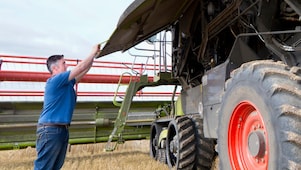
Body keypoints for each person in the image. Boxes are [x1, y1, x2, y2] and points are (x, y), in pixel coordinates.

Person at [34, 44, 101, 170]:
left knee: (54, 167)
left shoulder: (66, 83)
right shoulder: (56, 80)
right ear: (54, 68)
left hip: (59, 130)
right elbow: (80, 67)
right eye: (64, 63)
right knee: (44, 167)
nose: (67, 66)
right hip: (51, 130)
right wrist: (92, 52)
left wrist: (94, 57)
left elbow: (84, 69)